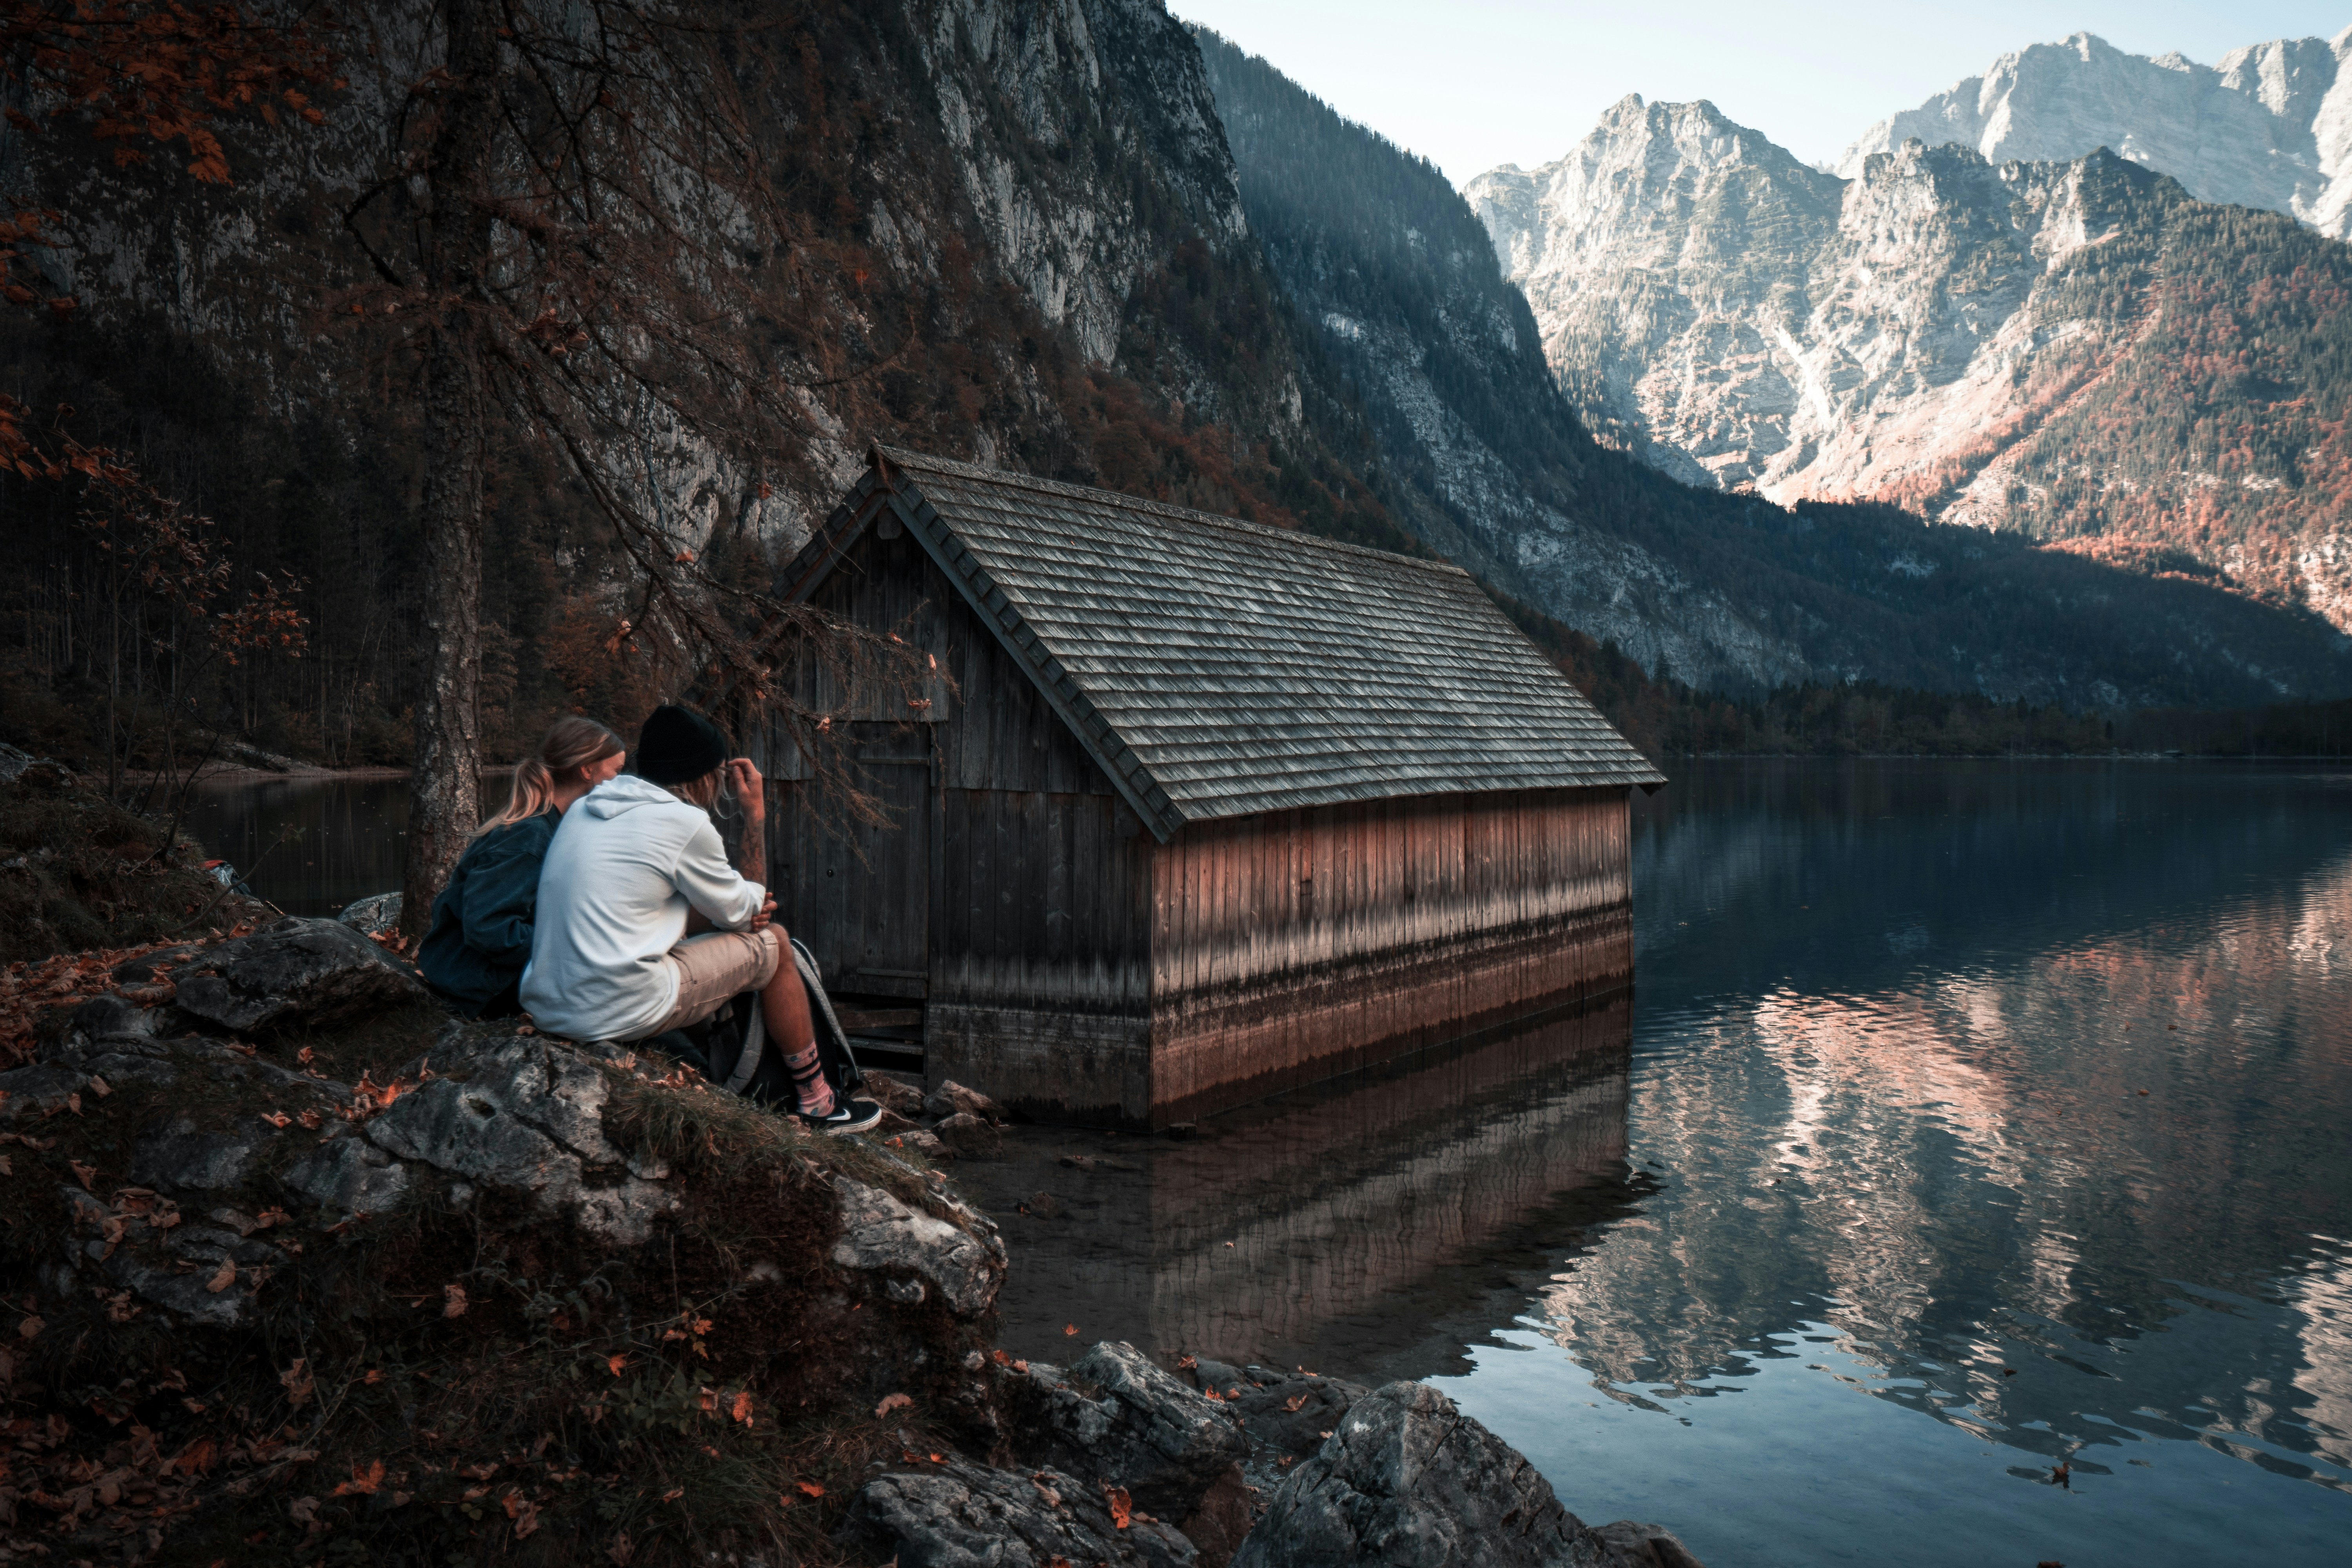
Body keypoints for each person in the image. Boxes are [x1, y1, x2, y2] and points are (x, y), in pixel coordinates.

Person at [520, 703, 882, 1134]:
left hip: (547, 1004)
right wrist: (755, 817)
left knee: (700, 923)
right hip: (611, 1008)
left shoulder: (587, 807)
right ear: (707, 775)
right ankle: (819, 1104)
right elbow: (749, 919)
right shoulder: (684, 821)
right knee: (778, 944)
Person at [417, 716, 626, 1018]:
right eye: (617, 772)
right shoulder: (527, 838)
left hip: (498, 979)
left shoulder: (554, 827)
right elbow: (489, 929)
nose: (621, 782)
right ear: (587, 770)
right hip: (483, 988)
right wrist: (573, 947)